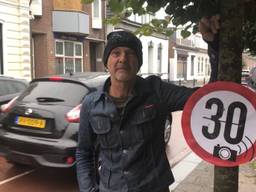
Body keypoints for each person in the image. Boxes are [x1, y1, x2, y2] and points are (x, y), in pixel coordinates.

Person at [76, 17, 219, 192]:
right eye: (116, 53)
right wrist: (89, 189)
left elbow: (208, 98)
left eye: (130, 53)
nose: (123, 59)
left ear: (138, 63)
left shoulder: (156, 91)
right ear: (107, 62)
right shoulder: (91, 104)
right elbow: (84, 152)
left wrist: (213, 45)